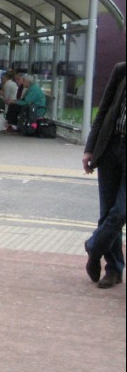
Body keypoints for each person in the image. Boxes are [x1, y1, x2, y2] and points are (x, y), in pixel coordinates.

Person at [82, 61, 125, 289]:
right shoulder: (121, 70)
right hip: (110, 148)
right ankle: (114, 269)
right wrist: (89, 148)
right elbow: (104, 112)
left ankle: (94, 247)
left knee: (120, 211)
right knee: (107, 211)